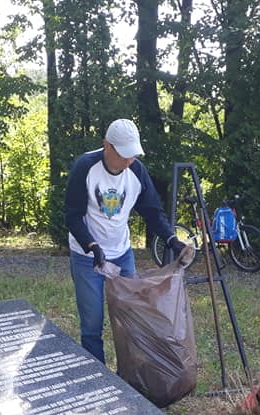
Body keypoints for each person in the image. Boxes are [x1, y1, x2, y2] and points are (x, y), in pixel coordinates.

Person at [64, 118, 185, 364]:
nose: (129, 161)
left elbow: (152, 211)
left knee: (131, 317)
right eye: (124, 155)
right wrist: (92, 245)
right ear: (107, 146)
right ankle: (97, 378)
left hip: (121, 253)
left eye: (133, 155)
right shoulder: (85, 167)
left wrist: (171, 238)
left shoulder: (136, 170)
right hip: (87, 257)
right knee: (92, 322)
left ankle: (130, 376)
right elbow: (72, 216)